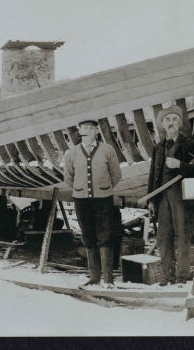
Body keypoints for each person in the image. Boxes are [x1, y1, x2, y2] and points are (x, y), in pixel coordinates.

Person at [147, 105, 194, 286]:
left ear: (180, 124)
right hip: (162, 198)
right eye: (167, 120)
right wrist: (151, 200)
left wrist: (179, 165)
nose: (171, 123)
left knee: (182, 236)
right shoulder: (158, 148)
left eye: (174, 119)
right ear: (163, 125)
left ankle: (181, 276)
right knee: (163, 237)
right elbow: (152, 176)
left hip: (181, 198)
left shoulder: (190, 145)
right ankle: (167, 276)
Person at [64, 119, 122, 288]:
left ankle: (108, 279)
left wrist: (104, 188)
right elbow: (68, 177)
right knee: (88, 236)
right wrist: (80, 189)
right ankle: (94, 277)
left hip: (103, 199)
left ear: (96, 131)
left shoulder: (107, 150)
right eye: (85, 128)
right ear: (80, 131)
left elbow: (116, 174)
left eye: (91, 128)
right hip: (81, 200)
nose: (88, 131)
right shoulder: (71, 153)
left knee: (106, 236)